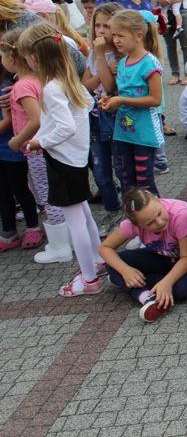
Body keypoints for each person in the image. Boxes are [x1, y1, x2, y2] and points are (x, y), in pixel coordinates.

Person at [17, 23, 102, 296]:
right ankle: (98, 261)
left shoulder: (52, 88)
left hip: (63, 162)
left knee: (75, 220)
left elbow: (65, 126)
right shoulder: (68, 81)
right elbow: (82, 108)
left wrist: (41, 141)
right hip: (74, 159)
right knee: (84, 215)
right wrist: (44, 135)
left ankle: (89, 278)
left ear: (33, 58)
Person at [3, 27, 73, 262]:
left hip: (36, 150)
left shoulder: (23, 86)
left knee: (47, 197)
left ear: (13, 58)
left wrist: (17, 140)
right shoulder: (35, 79)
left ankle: (60, 246)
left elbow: (35, 120)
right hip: (44, 149)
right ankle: (64, 239)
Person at [99, 189, 187, 323]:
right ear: (137, 225)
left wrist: (166, 282)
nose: (159, 222)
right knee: (113, 263)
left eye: (159, 213)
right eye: (150, 223)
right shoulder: (132, 225)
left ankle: (128, 282)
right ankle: (145, 297)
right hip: (162, 257)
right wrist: (125, 270)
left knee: (181, 290)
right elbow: (105, 248)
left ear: (157, 199)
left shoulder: (180, 214)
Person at [98, 9, 164, 196]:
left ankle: (157, 220)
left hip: (144, 133)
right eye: (114, 35)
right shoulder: (123, 62)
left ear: (138, 35)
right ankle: (133, 220)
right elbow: (122, 93)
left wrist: (121, 100)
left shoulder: (149, 63)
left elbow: (155, 99)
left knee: (145, 183)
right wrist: (110, 100)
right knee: (127, 180)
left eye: (120, 35)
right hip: (123, 132)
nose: (116, 40)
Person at [0, 30, 41, 252]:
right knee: (3, 191)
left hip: (15, 148)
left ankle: (34, 226)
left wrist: (16, 140)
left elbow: (13, 119)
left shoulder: (17, 84)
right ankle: (8, 232)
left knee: (21, 188)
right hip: (14, 147)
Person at [83, 3, 122, 231]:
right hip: (95, 119)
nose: (101, 31)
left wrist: (101, 59)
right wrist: (101, 66)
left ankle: (128, 212)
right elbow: (86, 85)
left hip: (115, 119)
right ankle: (112, 209)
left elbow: (110, 85)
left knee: (121, 167)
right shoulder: (93, 54)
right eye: (97, 25)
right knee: (100, 171)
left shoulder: (120, 55)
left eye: (106, 26)